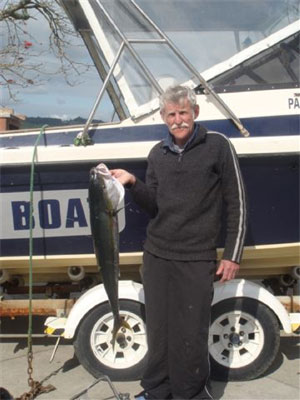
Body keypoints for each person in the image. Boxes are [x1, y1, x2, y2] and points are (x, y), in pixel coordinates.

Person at [111, 85, 247, 400]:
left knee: (191, 332)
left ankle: (192, 393)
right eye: (171, 114)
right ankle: (156, 391)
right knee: (158, 330)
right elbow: (154, 204)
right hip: (157, 256)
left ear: (195, 113)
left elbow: (237, 201)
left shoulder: (217, 146)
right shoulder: (157, 153)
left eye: (183, 112)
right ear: (163, 118)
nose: (178, 120)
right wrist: (133, 183)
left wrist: (232, 254)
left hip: (197, 257)